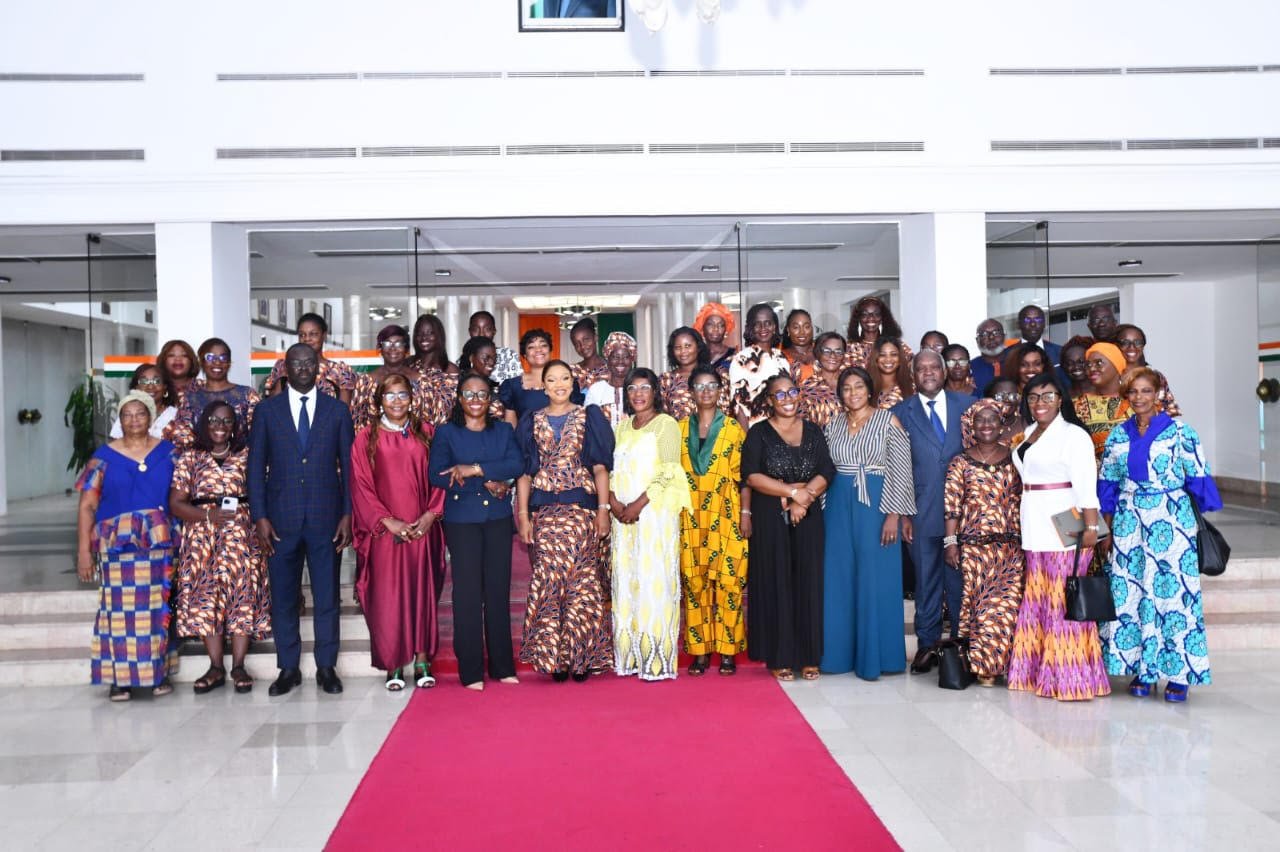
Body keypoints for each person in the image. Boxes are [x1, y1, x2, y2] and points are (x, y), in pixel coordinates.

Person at [1098, 368, 1221, 702]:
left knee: (1172, 595)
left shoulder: (1182, 432)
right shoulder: (1118, 436)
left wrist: (1187, 510)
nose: (1139, 398)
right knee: (1133, 594)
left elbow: (1198, 478)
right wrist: (1109, 528)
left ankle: (1179, 673)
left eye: (1146, 391)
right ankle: (1143, 669)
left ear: (1159, 394)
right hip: (1128, 524)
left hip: (1171, 521)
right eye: (1133, 392)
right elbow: (1107, 484)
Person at [248, 343, 355, 697]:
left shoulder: (338, 411)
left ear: (318, 368)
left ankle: (327, 667)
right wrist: (260, 516)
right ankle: (288, 668)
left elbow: (350, 468)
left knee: (326, 597)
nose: (305, 368)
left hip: (326, 519)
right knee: (283, 597)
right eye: (297, 363)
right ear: (285, 369)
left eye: (310, 363)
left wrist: (347, 513)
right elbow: (255, 468)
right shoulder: (267, 411)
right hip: (280, 521)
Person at [1007, 374, 1110, 701]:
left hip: (1069, 519)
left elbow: (1086, 485)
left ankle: (1073, 679)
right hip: (1035, 522)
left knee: (1064, 600)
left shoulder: (1073, 435)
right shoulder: (1026, 434)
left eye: (1048, 396)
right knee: (1039, 598)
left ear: (1060, 398)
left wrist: (1092, 529)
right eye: (1034, 397)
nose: (1041, 403)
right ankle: (1039, 674)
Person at [515, 359, 615, 682]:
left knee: (582, 584)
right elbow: (526, 473)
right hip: (545, 514)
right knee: (549, 582)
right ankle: (555, 658)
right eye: (552, 379)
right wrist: (523, 515)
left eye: (565, 378)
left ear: (574, 383)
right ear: (543, 386)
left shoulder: (590, 417)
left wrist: (603, 510)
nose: (560, 384)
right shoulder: (532, 421)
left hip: (581, 511)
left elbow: (600, 467)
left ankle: (582, 657)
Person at [75, 391, 177, 701]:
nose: (134, 420)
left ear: (150, 417)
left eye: (140, 414)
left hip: (158, 542)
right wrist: (83, 551)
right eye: (127, 415)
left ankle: (155, 675)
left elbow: (181, 496)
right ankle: (120, 679)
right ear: (120, 420)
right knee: (117, 612)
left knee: (156, 610)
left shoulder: (170, 452)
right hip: (116, 544)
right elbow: (87, 507)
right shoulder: (103, 457)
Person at [350, 373, 446, 691]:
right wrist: (387, 521)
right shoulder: (366, 437)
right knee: (388, 598)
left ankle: (421, 661)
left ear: (412, 398)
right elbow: (361, 486)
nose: (396, 401)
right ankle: (393, 664)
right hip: (385, 532)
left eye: (402, 394)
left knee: (422, 594)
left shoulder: (427, 434)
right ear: (379, 401)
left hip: (421, 529)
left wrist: (431, 515)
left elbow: (441, 476)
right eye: (389, 396)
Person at [169, 401, 271, 694]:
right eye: (214, 419)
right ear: (204, 423)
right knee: (206, 599)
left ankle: (238, 665)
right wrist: (209, 515)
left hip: (242, 536)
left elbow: (263, 492)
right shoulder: (190, 458)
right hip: (202, 538)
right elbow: (176, 503)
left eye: (227, 421)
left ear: (235, 426)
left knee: (242, 596)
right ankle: (215, 667)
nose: (220, 426)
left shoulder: (248, 456)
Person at [431, 374, 525, 690]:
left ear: (490, 399)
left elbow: (516, 463)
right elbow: (438, 474)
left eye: (482, 394)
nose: (475, 399)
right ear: (459, 398)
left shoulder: (503, 429)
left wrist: (475, 469)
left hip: (497, 518)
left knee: (497, 591)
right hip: (462, 520)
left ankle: (502, 666)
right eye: (469, 394)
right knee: (468, 595)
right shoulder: (446, 432)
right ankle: (470, 671)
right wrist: (487, 479)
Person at [821, 366, 915, 680]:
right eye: (846, 388)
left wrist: (893, 514)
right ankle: (837, 655)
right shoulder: (833, 424)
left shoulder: (889, 421)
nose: (853, 393)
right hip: (837, 504)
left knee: (876, 578)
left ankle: (879, 657)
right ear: (840, 394)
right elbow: (825, 470)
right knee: (839, 578)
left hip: (876, 502)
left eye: (858, 386)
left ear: (869, 389)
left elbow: (901, 469)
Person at [742, 374, 835, 682]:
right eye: (779, 395)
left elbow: (826, 470)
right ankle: (780, 656)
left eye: (791, 392)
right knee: (778, 582)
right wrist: (793, 493)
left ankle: (809, 656)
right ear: (769, 400)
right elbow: (752, 476)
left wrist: (804, 498)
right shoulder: (758, 433)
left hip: (808, 516)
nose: (786, 398)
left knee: (808, 583)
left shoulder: (813, 431)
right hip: (770, 518)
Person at [890, 349, 974, 673]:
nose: (927, 372)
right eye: (921, 368)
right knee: (926, 583)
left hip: (962, 515)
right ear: (913, 375)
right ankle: (927, 647)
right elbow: (897, 468)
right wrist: (904, 515)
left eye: (933, 367)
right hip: (920, 514)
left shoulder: (966, 406)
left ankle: (959, 647)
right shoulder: (900, 412)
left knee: (958, 584)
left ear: (944, 372)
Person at [608, 368, 690, 681]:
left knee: (654, 581)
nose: (639, 394)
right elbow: (613, 468)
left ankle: (655, 661)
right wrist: (615, 503)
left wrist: (638, 505)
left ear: (656, 392)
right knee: (629, 581)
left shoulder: (666, 425)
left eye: (645, 387)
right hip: (624, 518)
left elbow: (669, 470)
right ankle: (629, 656)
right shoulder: (622, 427)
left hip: (654, 515)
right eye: (632, 388)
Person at [943, 400, 1024, 686]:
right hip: (974, 550)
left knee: (1005, 610)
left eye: (993, 420)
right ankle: (983, 668)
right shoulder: (960, 461)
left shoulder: (1016, 459)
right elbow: (952, 506)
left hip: (1010, 549)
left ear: (1002, 425)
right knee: (980, 610)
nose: (987, 425)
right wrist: (951, 543)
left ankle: (1007, 666)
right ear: (971, 427)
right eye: (981, 420)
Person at [678, 366, 750, 676]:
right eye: (699, 386)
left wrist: (746, 514)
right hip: (691, 516)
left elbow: (746, 477)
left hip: (727, 513)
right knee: (695, 584)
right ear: (691, 392)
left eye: (712, 385)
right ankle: (701, 651)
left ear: (721, 391)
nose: (706, 391)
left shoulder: (734, 429)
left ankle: (728, 650)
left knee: (729, 582)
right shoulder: (678, 429)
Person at [173, 338, 261, 449]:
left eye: (223, 357)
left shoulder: (248, 395)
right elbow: (182, 440)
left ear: (229, 362)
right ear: (201, 362)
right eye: (210, 357)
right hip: (199, 464)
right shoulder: (190, 398)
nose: (217, 362)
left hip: (241, 463)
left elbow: (259, 436)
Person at [266, 312, 356, 404]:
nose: (307, 339)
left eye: (313, 334)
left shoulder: (339, 371)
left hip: (328, 418)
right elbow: (275, 406)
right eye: (302, 335)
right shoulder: (284, 366)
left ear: (324, 336)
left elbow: (343, 412)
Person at [500, 328, 583, 425]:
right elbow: (511, 425)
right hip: (525, 439)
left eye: (543, 345)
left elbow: (577, 417)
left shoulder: (567, 381)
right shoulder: (512, 385)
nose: (538, 349)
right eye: (531, 347)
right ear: (525, 355)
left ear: (550, 350)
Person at [728, 303, 792, 427]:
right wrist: (748, 442)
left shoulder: (782, 358)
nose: (763, 327)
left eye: (768, 323)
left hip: (782, 430)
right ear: (751, 328)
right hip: (755, 432)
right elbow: (738, 407)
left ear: (774, 327)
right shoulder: (741, 359)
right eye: (757, 324)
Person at [351, 324, 423, 431]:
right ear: (380, 348)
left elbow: (426, 421)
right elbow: (357, 423)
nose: (393, 348)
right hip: (375, 444)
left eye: (398, 343)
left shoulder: (421, 381)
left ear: (406, 349)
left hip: (414, 443)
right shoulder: (365, 382)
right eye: (387, 343)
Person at [1074, 341, 1130, 460]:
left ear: (1117, 366)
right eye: (1088, 365)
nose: (1092, 368)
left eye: (1099, 363)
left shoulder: (1136, 401)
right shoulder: (1079, 404)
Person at [1112, 323, 1181, 416]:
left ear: (1143, 346)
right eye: (1125, 342)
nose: (1132, 347)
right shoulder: (1110, 377)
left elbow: (1171, 411)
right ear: (1116, 345)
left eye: (1138, 342)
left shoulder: (1156, 377)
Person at [407, 313, 460, 425]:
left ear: (439, 336)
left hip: (441, 434)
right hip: (411, 432)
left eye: (430, 333)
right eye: (419, 333)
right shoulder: (408, 365)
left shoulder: (450, 370)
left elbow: (453, 408)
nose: (424, 337)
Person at [109, 363, 179, 440]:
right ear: (136, 387)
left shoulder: (176, 416)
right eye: (143, 381)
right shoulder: (127, 414)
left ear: (165, 386)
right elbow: (114, 446)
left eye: (157, 381)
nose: (150, 386)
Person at [585, 331, 638, 428]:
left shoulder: (637, 389)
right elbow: (588, 423)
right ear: (607, 360)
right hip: (601, 443)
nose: (620, 362)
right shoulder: (596, 390)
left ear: (632, 360)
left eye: (626, 357)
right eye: (615, 357)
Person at [659, 326, 712, 421]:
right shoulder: (665, 380)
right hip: (676, 434)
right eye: (678, 347)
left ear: (698, 347)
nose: (683, 351)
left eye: (688, 346)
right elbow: (661, 416)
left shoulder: (712, 376)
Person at [844, 296, 912, 370]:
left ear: (883, 318)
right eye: (865, 314)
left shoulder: (898, 345)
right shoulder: (850, 349)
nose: (871, 318)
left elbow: (912, 370)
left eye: (876, 314)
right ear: (858, 319)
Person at [798, 332, 845, 428]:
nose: (833, 356)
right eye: (827, 351)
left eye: (838, 351)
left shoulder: (851, 381)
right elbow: (800, 426)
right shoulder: (806, 388)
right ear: (818, 353)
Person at [465, 310, 522, 384]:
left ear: (494, 331)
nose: (481, 334)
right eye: (476, 329)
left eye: (487, 329)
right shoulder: (462, 360)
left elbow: (517, 387)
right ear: (470, 332)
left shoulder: (508, 356)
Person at [458, 335, 508, 420]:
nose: (492, 362)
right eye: (486, 358)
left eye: (494, 358)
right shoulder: (457, 384)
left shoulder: (495, 387)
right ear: (471, 358)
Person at [693, 301, 737, 373]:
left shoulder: (735, 355)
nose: (716, 329)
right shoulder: (694, 355)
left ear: (726, 329)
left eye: (721, 325)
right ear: (702, 328)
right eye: (710, 324)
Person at [872, 336, 914, 409]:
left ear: (900, 358)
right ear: (876, 359)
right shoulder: (866, 386)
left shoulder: (912, 386)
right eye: (882, 355)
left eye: (893, 354)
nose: (888, 359)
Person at [569, 317, 609, 390]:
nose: (582, 346)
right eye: (577, 344)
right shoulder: (572, 371)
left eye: (586, 340)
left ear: (595, 338)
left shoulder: (610, 368)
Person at [781, 308, 817, 384]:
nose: (802, 332)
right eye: (796, 327)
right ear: (788, 330)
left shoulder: (821, 351)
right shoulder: (781, 358)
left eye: (806, 327)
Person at [971, 318, 1006, 393]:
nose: (991, 337)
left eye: (996, 333)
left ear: (1004, 337)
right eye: (984, 334)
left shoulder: (1017, 362)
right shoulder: (970, 368)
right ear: (978, 340)